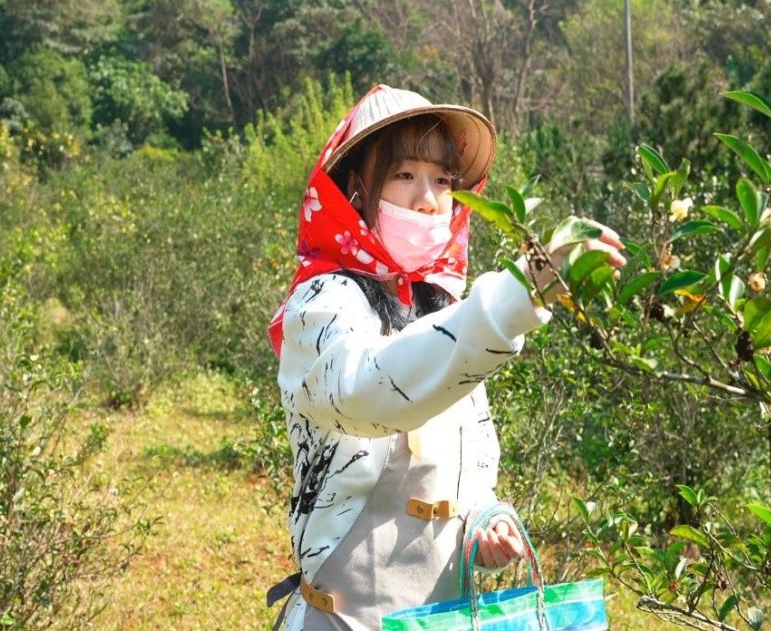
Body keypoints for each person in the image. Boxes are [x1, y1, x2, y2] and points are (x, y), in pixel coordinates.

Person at [266, 85, 625, 630]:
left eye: (442, 181)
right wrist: (518, 293)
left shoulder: (440, 306)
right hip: (341, 619)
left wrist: (485, 521)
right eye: (404, 175)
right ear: (359, 189)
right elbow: (371, 389)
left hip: (438, 617)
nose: (428, 198)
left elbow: (470, 460)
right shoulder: (321, 303)